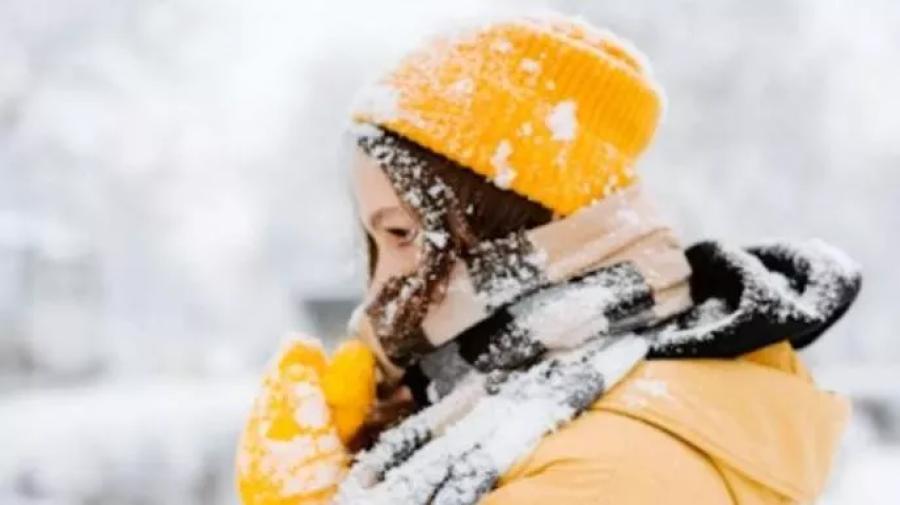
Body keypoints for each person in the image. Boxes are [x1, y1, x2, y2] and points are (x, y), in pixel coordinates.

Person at [236, 13, 862, 505]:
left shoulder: (604, 473)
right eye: (375, 247)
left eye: (400, 235)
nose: (378, 290)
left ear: (524, 233)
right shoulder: (531, 414)